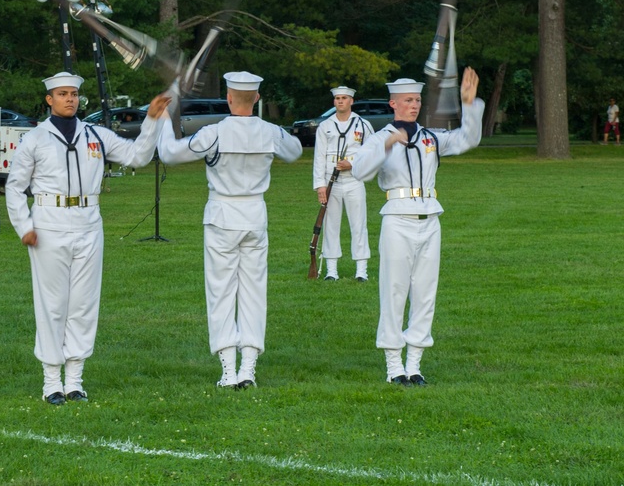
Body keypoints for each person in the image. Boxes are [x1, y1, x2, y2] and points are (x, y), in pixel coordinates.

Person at [5, 72, 170, 405]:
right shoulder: (35, 139)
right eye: (63, 94)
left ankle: (75, 380)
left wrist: (151, 121)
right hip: (48, 224)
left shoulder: (96, 134)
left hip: (89, 222)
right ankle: (51, 381)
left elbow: (137, 156)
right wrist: (24, 226)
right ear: (49, 99)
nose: (70, 99)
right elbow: (13, 186)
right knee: (52, 305)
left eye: (75, 93)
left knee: (83, 304)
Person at [157, 72, 303, 389]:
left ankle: (228, 369)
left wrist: (163, 119)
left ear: (228, 97)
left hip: (222, 215)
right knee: (254, 292)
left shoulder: (215, 133)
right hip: (254, 215)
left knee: (221, 292)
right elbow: (295, 151)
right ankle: (248, 368)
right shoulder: (269, 132)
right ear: (258, 99)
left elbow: (169, 153)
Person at [350, 69, 483, 386]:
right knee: (394, 291)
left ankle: (415, 364)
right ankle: (394, 365)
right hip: (397, 220)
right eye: (408, 100)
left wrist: (469, 103)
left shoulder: (430, 137)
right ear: (393, 104)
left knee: (425, 293)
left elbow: (467, 139)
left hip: (429, 219)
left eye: (417, 100)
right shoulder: (380, 138)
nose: (414, 105)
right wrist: (388, 144)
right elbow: (359, 171)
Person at [312, 86, 374, 281]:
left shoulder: (363, 125)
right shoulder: (325, 126)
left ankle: (361, 270)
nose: (340, 101)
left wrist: (352, 164)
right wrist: (320, 185)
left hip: (354, 181)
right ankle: (331, 270)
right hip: (332, 183)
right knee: (330, 225)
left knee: (359, 225)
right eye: (337, 98)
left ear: (351, 101)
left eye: (344, 98)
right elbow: (319, 157)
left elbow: (372, 154)